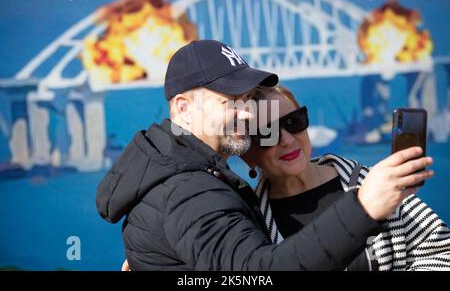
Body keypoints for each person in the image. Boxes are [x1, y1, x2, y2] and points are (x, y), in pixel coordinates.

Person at [96, 39, 431, 270]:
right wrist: (364, 208)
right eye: (230, 102)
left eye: (295, 122)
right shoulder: (189, 190)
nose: (245, 115)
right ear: (183, 109)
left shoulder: (191, 176)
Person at [243, 85, 450, 271]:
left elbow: (440, 251)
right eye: (267, 133)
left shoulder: (370, 183)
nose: (287, 140)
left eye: (294, 122)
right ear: (248, 154)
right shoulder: (250, 224)